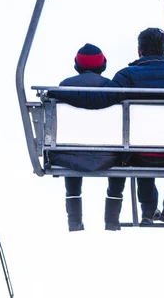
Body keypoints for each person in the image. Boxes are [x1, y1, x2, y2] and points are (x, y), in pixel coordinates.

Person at [50, 28, 164, 225]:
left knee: (138, 149)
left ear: (139, 51)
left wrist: (59, 93)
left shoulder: (128, 76)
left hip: (141, 152)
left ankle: (148, 209)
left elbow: (101, 99)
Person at [47, 43, 126, 232]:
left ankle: (74, 220)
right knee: (124, 156)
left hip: (69, 155)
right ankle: (112, 220)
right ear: (102, 66)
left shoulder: (65, 86)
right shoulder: (111, 87)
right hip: (110, 156)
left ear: (77, 66)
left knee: (70, 152)